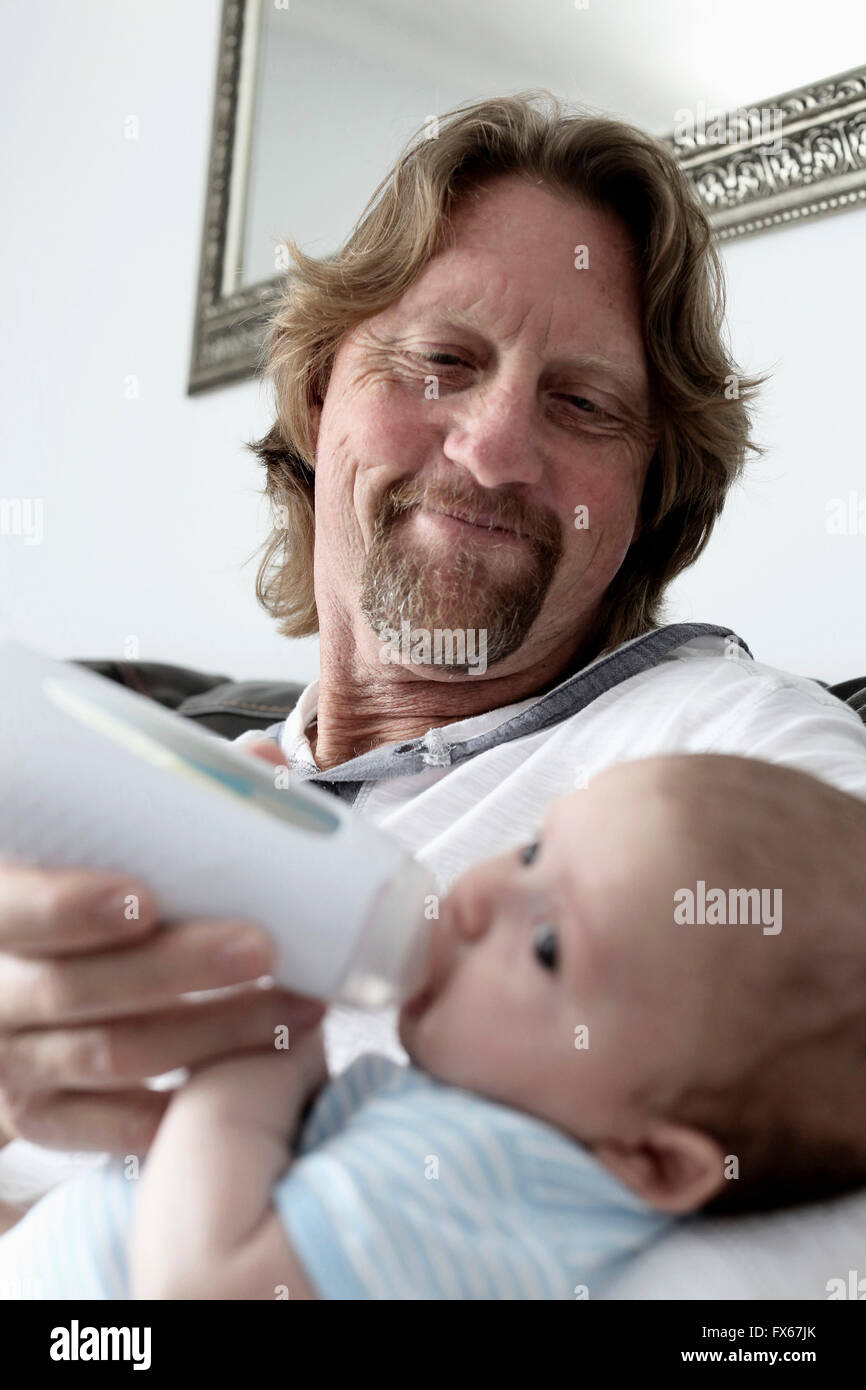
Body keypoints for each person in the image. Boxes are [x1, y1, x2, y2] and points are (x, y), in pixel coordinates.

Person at [2, 94, 866, 1233]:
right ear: (319, 402)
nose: (497, 448)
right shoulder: (191, 788)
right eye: (439, 361)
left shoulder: (733, 758)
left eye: (581, 402)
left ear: (649, 495)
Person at [2, 753, 865, 1300]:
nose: (483, 890)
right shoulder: (489, 1129)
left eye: (551, 945)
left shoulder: (497, 1170)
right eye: (532, 850)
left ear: (649, 1159)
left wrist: (258, 1037)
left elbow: (201, 1289)